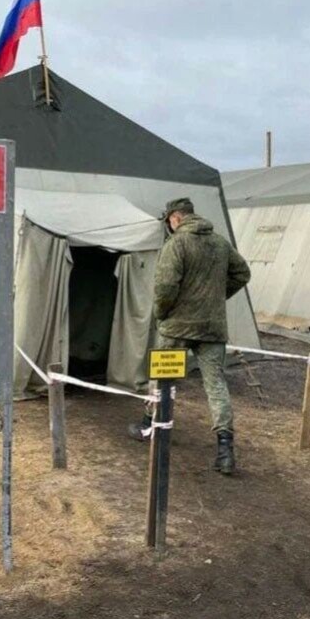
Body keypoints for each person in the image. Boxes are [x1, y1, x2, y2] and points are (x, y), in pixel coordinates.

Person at [129, 198, 251, 476]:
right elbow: (242, 273)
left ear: (175, 218)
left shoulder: (177, 244)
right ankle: (225, 450)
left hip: (177, 327)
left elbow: (165, 287)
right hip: (212, 328)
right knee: (216, 385)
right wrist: (216, 298)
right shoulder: (220, 243)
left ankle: (150, 425)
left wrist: (162, 314)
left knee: (162, 378)